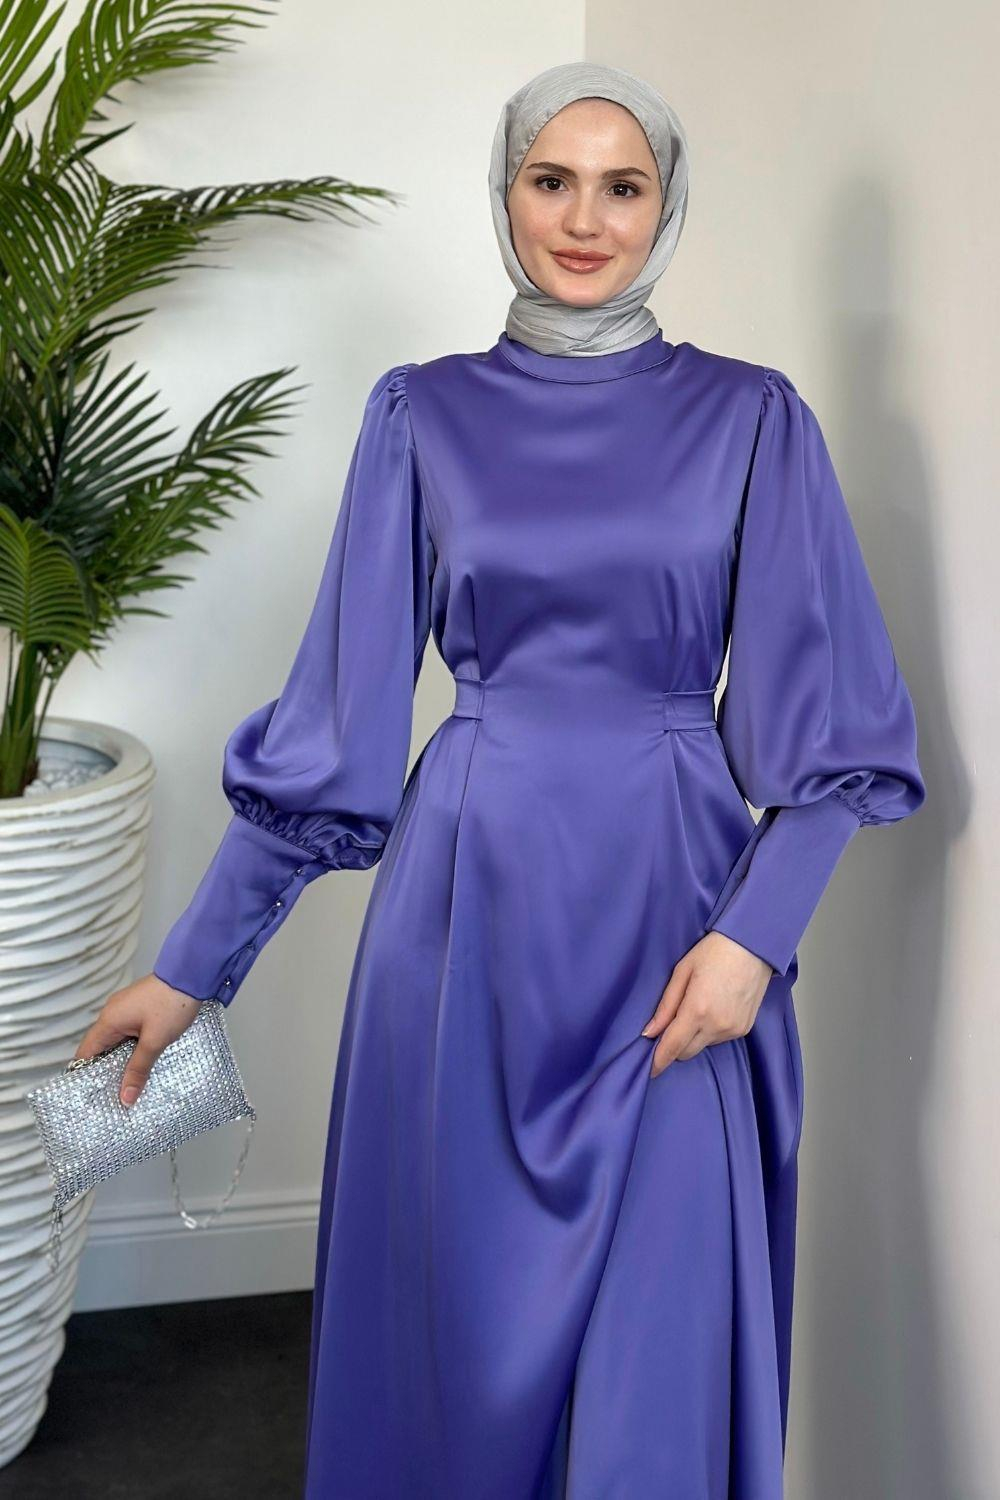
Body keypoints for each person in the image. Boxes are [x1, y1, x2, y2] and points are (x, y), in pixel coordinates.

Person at [73, 61, 926, 1498]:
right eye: (552, 180)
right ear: (506, 193)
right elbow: (335, 730)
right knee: (456, 1347)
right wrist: (189, 969)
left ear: (666, 207)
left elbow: (838, 740)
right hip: (464, 928)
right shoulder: (423, 416)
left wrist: (754, 941)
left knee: (659, 1350)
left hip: (682, 929)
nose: (585, 220)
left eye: (623, 186)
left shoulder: (754, 419)